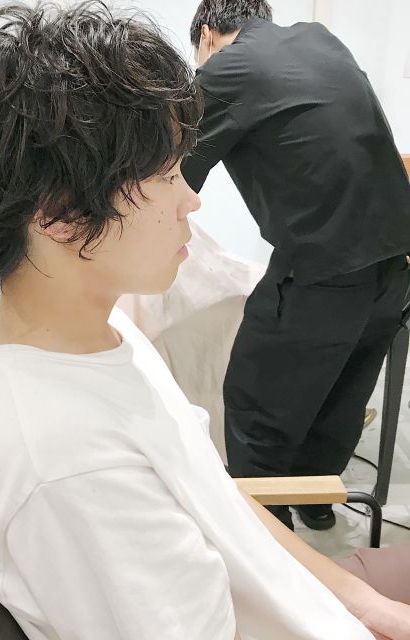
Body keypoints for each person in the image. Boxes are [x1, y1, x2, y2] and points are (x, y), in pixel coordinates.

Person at [0, 2, 410, 638]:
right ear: (60, 214)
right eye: (168, 174)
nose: (191, 199)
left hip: (308, 598)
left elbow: (220, 500)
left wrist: (365, 606)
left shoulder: (110, 340)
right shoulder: (75, 470)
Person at [182, 0, 410, 531]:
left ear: (208, 35)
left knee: (255, 410)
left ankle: (269, 537)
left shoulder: (228, 67)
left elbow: (170, 172)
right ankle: (317, 503)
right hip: (394, 268)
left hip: (322, 274)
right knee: (339, 394)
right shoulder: (321, 40)